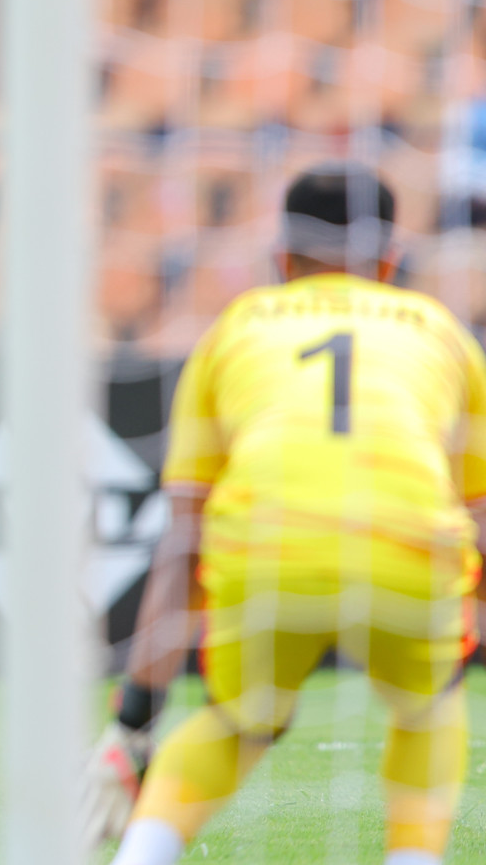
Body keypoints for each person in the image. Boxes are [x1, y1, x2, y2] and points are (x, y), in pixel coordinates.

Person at [82, 166, 486, 865]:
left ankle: (141, 854)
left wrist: (135, 717)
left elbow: (184, 539)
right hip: (409, 549)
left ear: (281, 258)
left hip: (266, 550)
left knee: (240, 721)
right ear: (391, 260)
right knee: (427, 709)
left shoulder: (233, 330)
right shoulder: (443, 332)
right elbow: (480, 518)